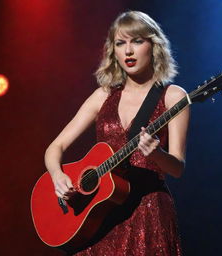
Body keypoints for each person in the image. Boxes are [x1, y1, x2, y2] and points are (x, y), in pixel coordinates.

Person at [45, 10, 189, 256]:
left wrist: (157, 154)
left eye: (137, 41)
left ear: (153, 45)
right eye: (120, 43)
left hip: (148, 214)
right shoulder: (104, 95)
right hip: (100, 216)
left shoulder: (174, 96)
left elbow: (177, 168)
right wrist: (58, 176)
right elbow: (54, 148)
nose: (128, 51)